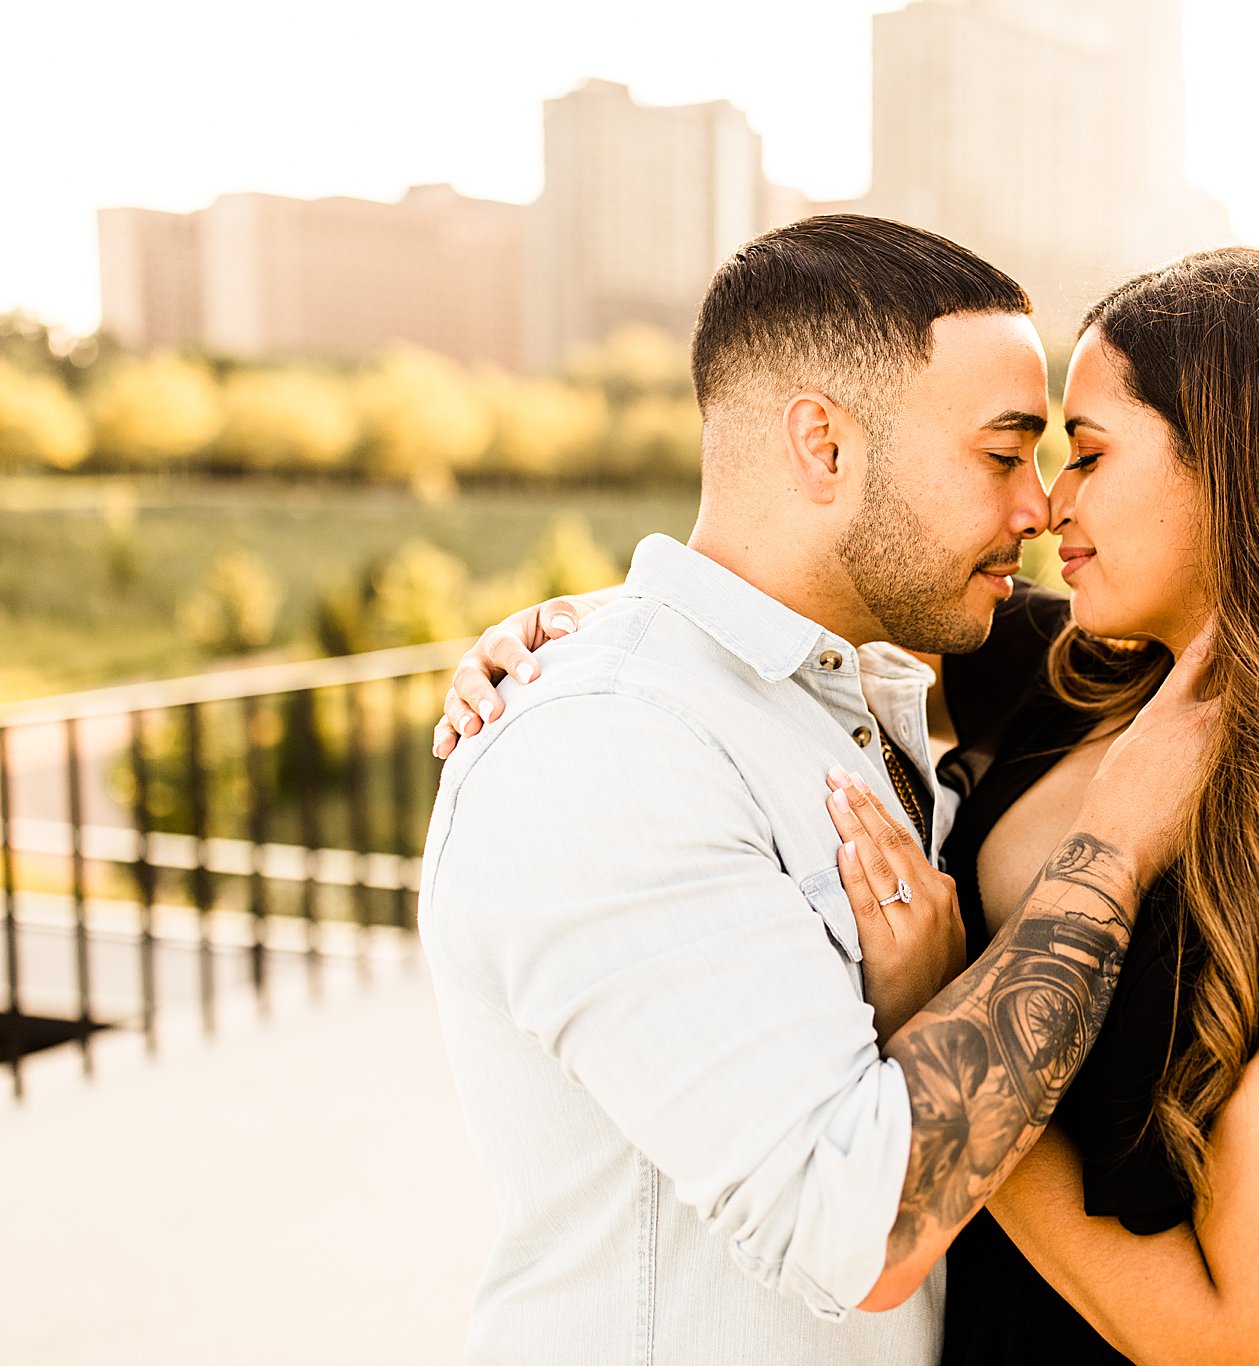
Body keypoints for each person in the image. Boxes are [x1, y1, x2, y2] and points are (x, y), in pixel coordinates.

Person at [443, 247, 1259, 1364]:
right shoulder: (1059, 677)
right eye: (1020, 453)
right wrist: (578, 634)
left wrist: (937, 1008)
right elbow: (764, 604)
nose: (1043, 505)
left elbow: (1245, 1339)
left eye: (1083, 453)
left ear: (1241, 471)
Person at [418, 214, 1217, 1366]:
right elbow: (866, 1229)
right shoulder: (604, 751)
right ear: (823, 446)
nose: (1038, 507)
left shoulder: (854, 694)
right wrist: (1108, 856)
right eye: (1002, 454)